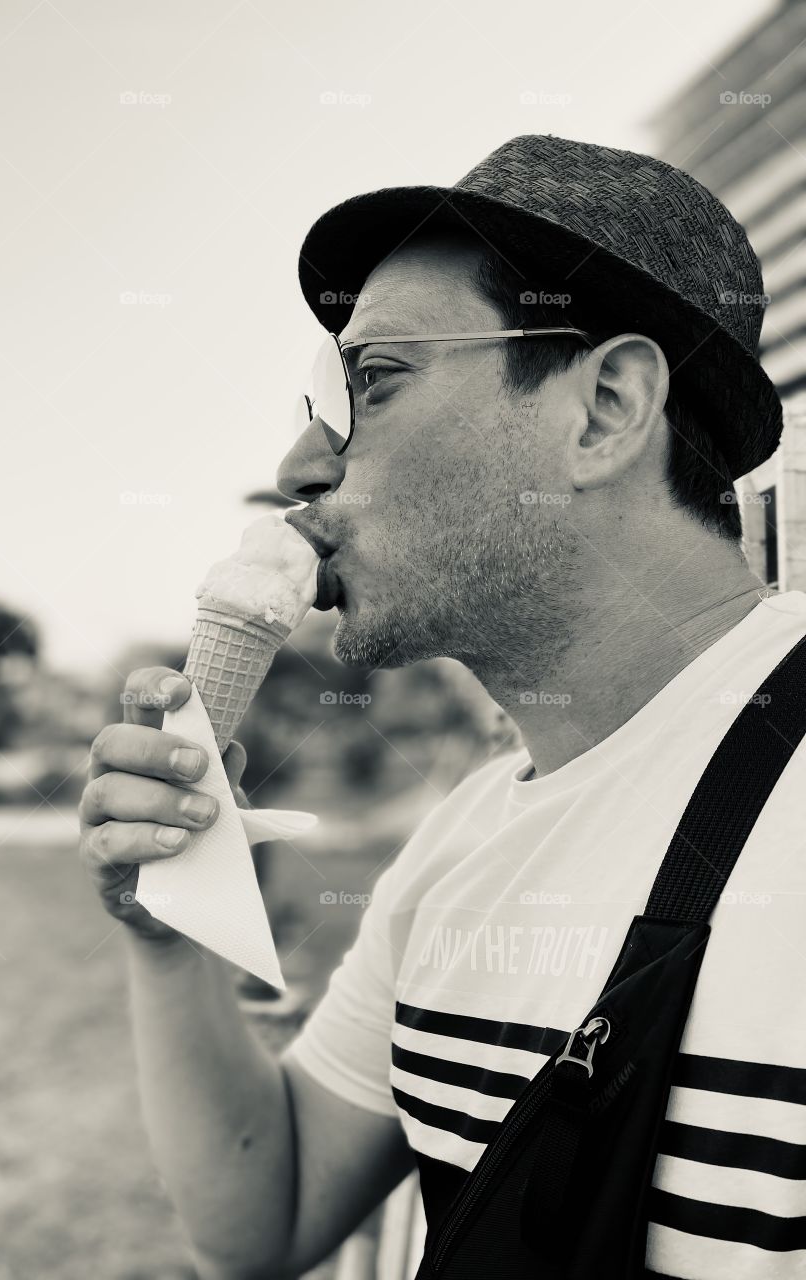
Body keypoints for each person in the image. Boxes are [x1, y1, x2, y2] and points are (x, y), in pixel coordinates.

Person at [78, 135, 805, 1278]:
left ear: (605, 408)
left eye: (374, 381)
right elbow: (266, 1215)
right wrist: (169, 934)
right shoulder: (455, 849)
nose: (300, 463)